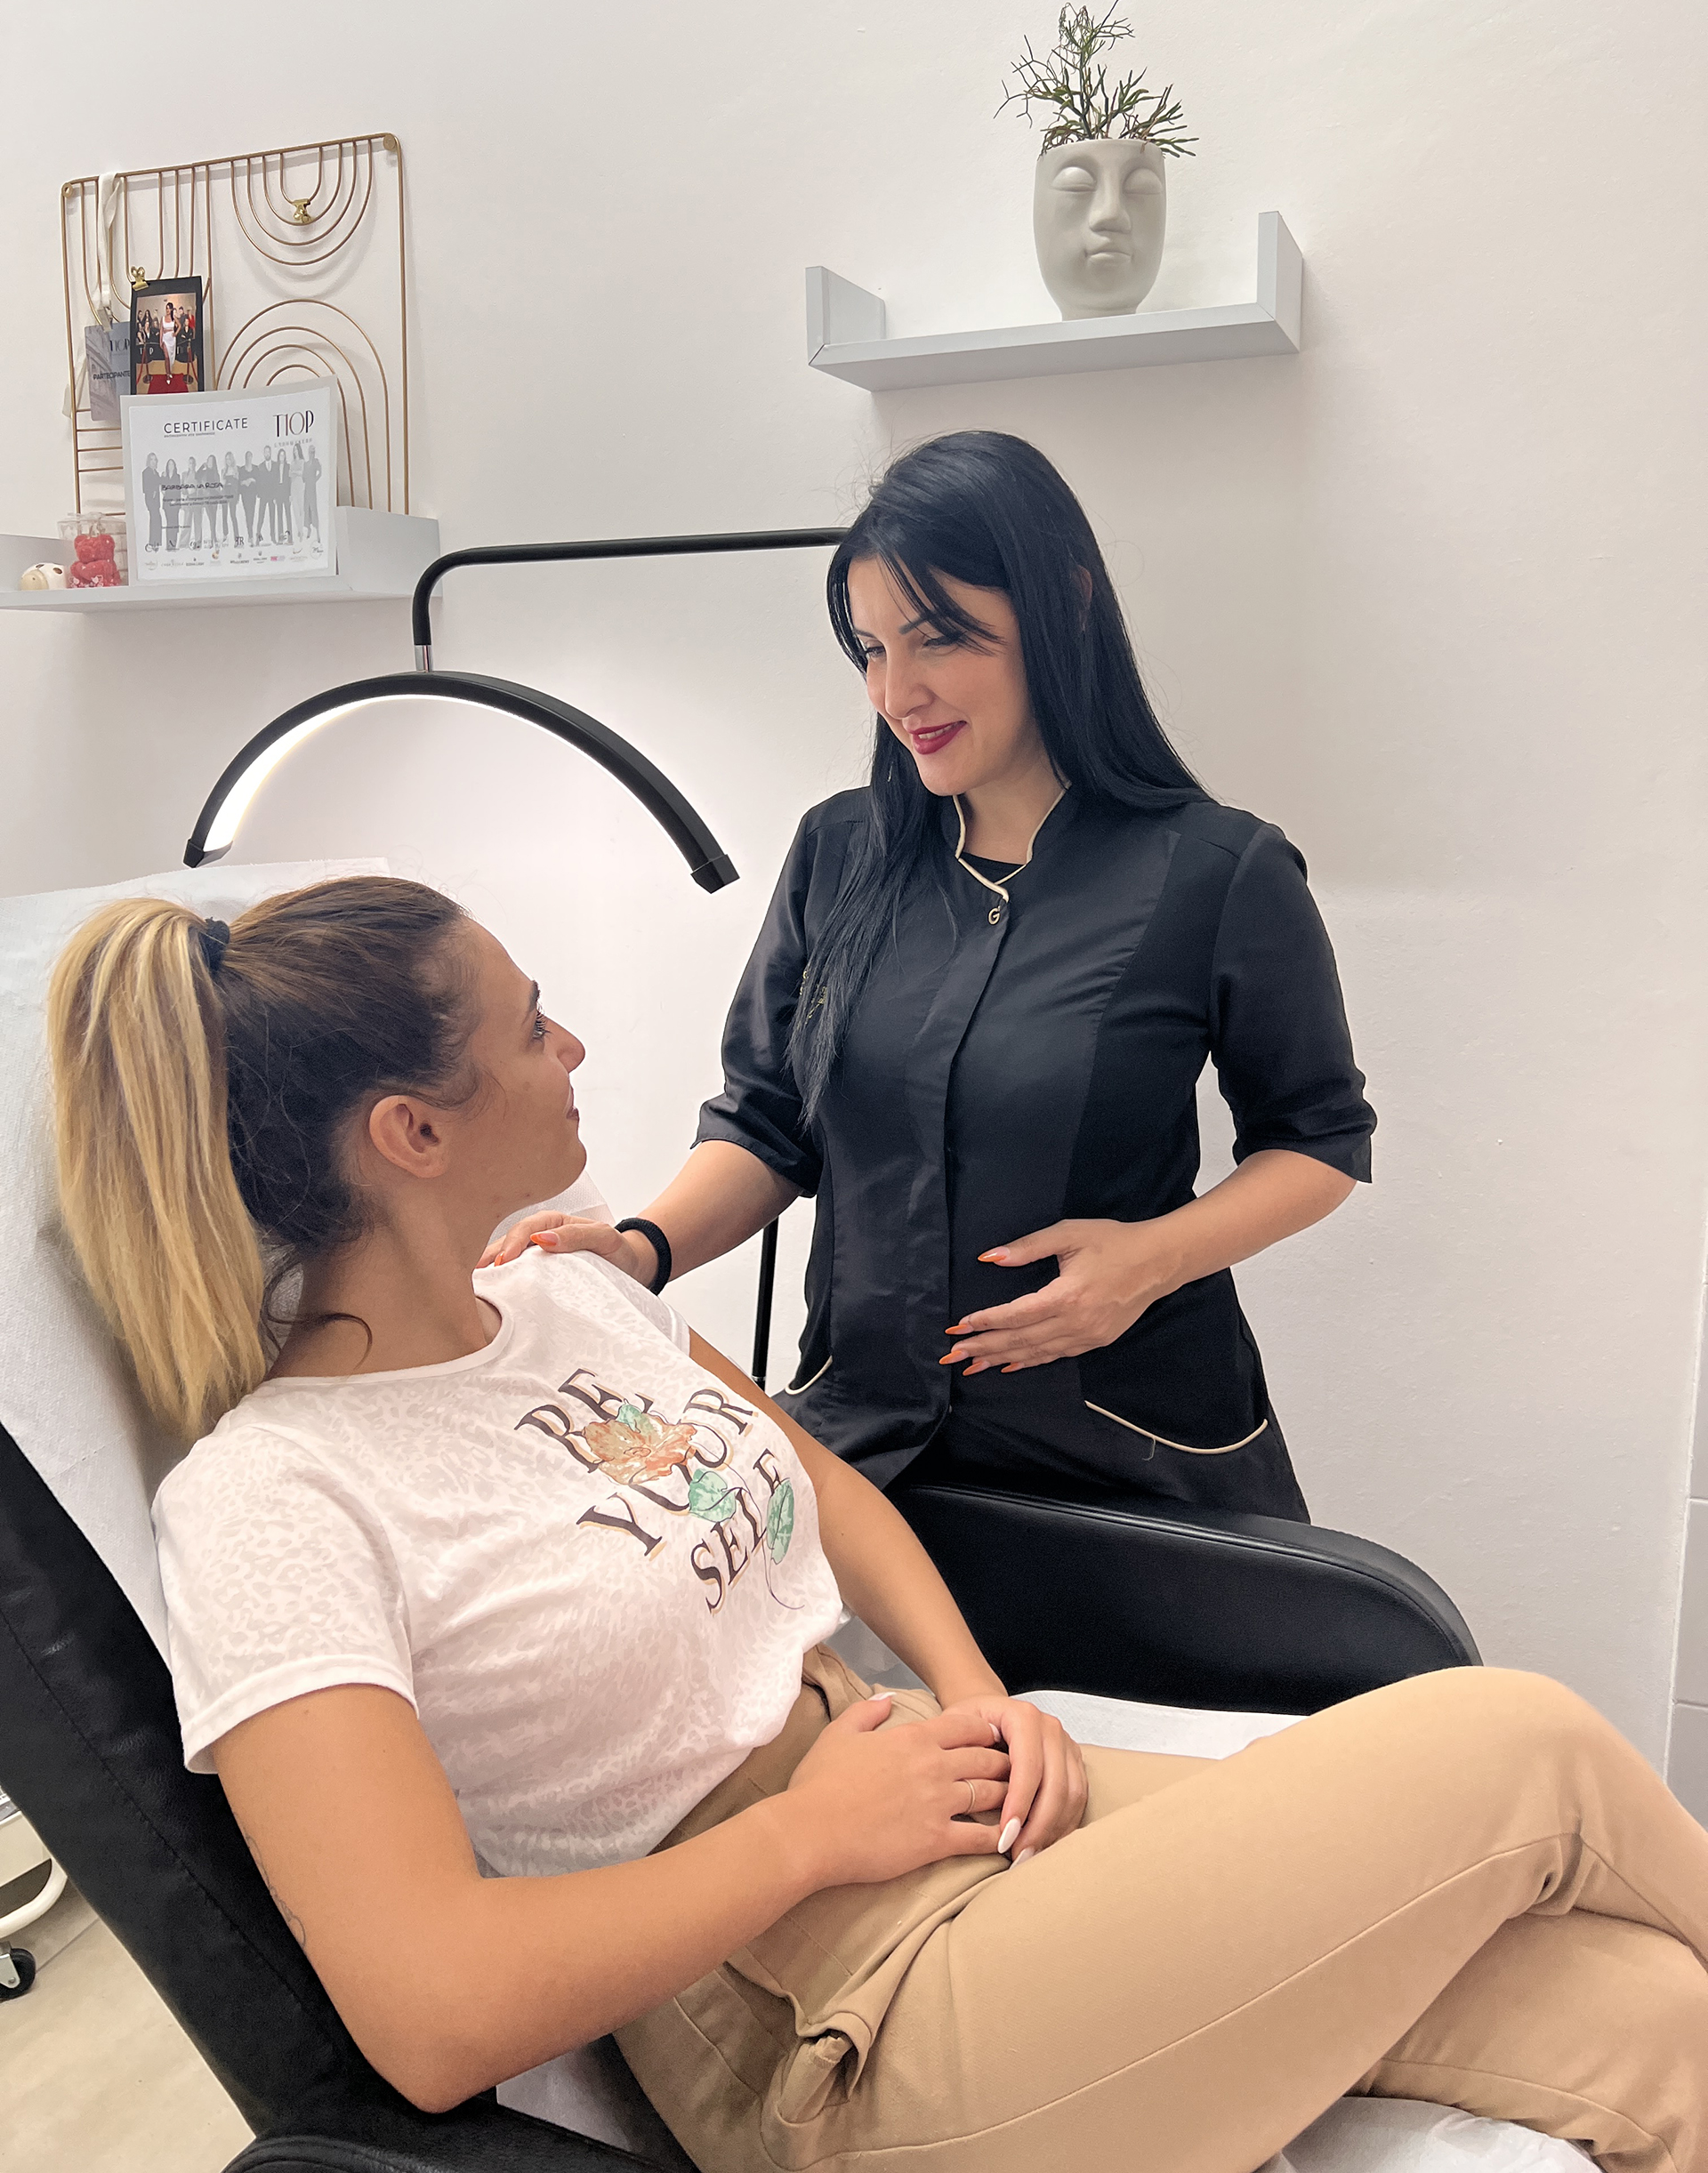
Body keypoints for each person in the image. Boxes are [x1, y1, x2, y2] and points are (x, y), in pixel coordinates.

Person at [45, 879, 1708, 2173]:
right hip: (826, 2032)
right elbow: (429, 2015)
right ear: (412, 1134)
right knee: (1526, 1745)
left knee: (1660, 2025)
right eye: (534, 1026)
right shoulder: (277, 1498)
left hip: (930, 1804)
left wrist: (979, 1697)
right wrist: (807, 1839)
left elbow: (825, 1490)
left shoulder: (573, 1298)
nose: (577, 1052)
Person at [488, 433, 1371, 1521]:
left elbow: (1320, 1139)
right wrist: (640, 1250)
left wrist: (1148, 1261)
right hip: (869, 1449)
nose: (896, 692)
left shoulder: (1219, 872)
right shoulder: (836, 854)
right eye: (870, 650)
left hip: (1131, 1457)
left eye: (938, 638)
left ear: (1064, 606)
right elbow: (766, 1125)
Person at [141, 453, 162, 552]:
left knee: (157, 520)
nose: (153, 462)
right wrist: (152, 491)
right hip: (150, 499)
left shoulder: (156, 473)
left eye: (155, 460)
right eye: (151, 460)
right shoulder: (146, 472)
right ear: (148, 461)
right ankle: (153, 543)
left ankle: (156, 542)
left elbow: (159, 483)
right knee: (154, 519)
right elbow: (145, 488)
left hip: (156, 500)